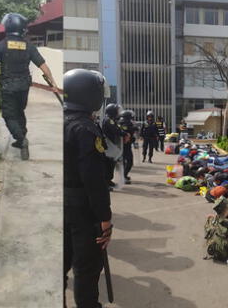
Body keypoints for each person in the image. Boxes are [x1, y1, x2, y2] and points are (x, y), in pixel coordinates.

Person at [0, 13, 59, 160]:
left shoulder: (3, 44)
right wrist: (53, 83)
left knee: (9, 115)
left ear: (8, 27)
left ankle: (21, 139)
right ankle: (21, 139)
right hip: (24, 86)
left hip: (8, 86)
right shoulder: (28, 45)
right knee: (19, 112)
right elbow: (43, 65)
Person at [63, 69, 113, 308]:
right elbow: (94, 180)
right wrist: (105, 218)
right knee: (87, 266)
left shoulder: (60, 121)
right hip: (82, 207)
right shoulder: (85, 129)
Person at [102, 103, 124, 189]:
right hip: (109, 146)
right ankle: (105, 184)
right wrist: (124, 133)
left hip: (112, 146)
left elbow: (118, 128)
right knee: (108, 165)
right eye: (117, 111)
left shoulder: (112, 119)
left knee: (111, 164)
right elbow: (115, 130)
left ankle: (109, 180)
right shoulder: (108, 120)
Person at [118, 109, 137, 183]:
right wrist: (133, 128)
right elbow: (126, 132)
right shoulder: (125, 123)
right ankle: (123, 177)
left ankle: (124, 176)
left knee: (124, 162)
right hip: (125, 146)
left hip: (124, 146)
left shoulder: (122, 122)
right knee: (129, 162)